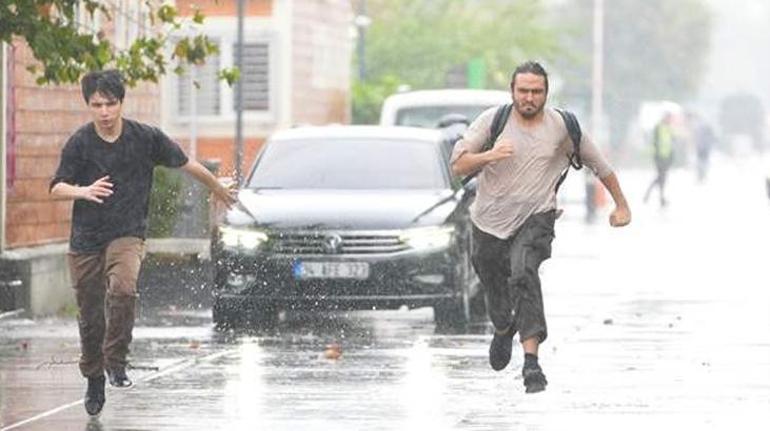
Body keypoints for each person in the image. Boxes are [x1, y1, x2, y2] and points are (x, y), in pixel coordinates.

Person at [49, 70, 237, 416]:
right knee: (91, 316)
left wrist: (217, 188)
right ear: (89, 106)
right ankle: (94, 376)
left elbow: (187, 164)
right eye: (96, 105)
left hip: (127, 233)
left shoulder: (145, 138)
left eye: (110, 104)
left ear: (121, 103)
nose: (104, 112)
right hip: (86, 240)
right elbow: (56, 187)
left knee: (123, 289)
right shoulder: (80, 143)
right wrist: (84, 191)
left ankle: (116, 363)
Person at [450, 61, 631, 394]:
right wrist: (489, 155)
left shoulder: (563, 126)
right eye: (523, 91)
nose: (529, 98)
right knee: (493, 282)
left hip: (537, 217)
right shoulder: (493, 121)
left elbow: (600, 166)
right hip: (488, 221)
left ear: (546, 93)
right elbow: (459, 164)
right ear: (512, 91)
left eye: (536, 92)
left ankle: (531, 362)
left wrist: (621, 205)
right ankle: (504, 327)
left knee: (523, 273)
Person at [643, 112, 676, 205]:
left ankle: (656, 196)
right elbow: (655, 142)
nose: (669, 120)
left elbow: (671, 143)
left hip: (667, 157)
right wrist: (656, 156)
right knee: (661, 177)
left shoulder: (669, 128)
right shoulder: (658, 127)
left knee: (662, 177)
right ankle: (657, 197)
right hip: (659, 157)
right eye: (668, 118)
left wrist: (671, 157)